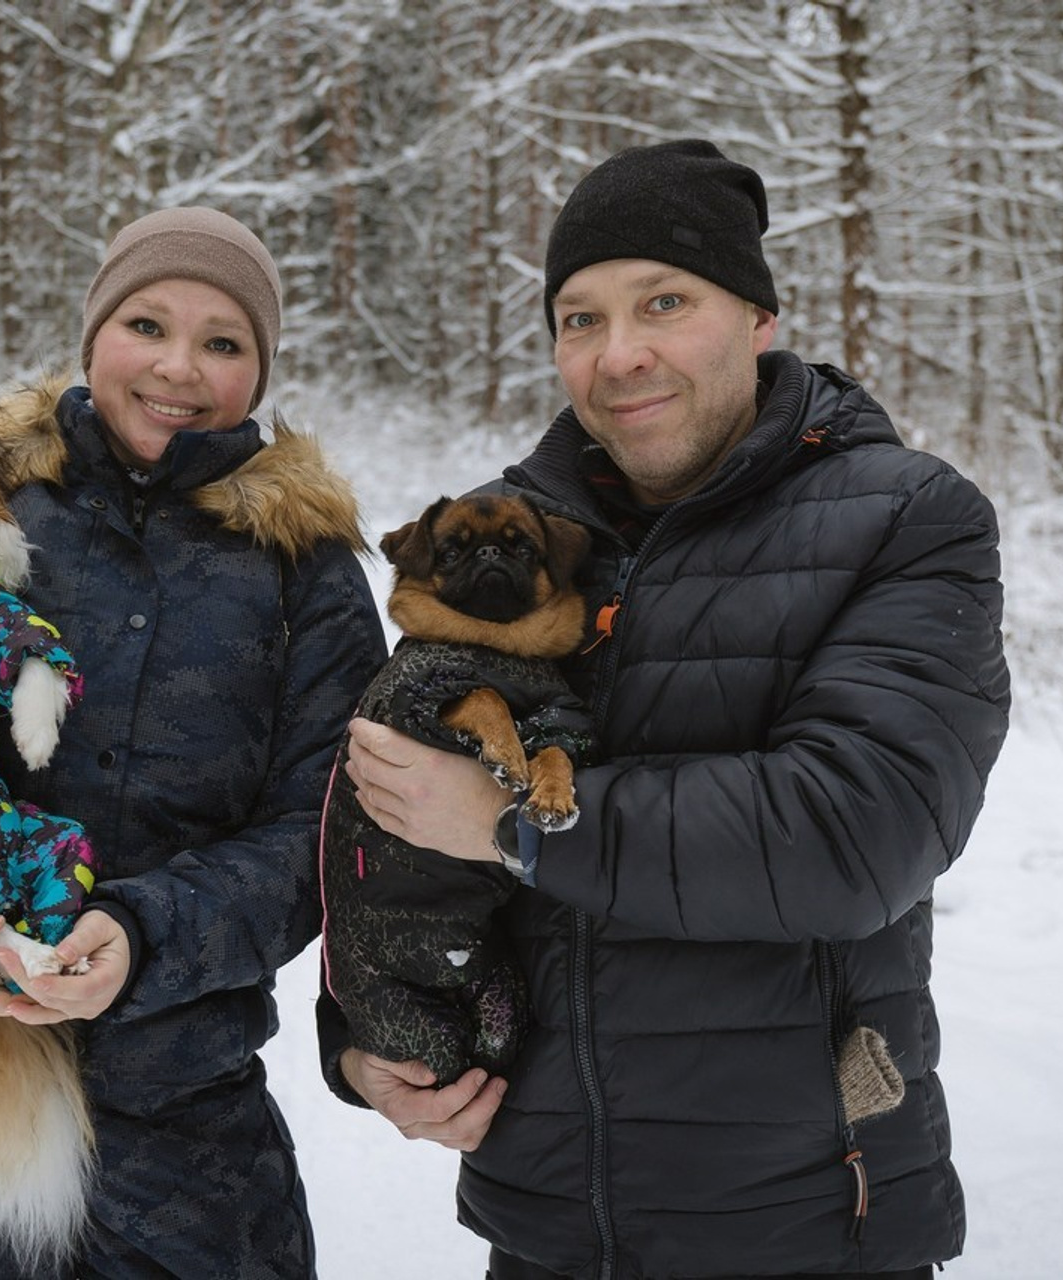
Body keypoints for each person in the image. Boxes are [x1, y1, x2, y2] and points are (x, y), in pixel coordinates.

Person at [321, 140, 1011, 1278]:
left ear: (756, 316)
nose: (618, 353)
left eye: (662, 302)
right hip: (544, 1220)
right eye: (578, 318)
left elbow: (852, 833)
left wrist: (506, 821)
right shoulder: (516, 545)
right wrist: (360, 1043)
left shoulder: (902, 518)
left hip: (797, 1220)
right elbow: (378, 815)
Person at [0, 206, 387, 1278]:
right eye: (146, 323)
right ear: (93, 329)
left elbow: (328, 836)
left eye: (223, 340)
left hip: (171, 1146)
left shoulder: (306, 573)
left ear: (260, 366)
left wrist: (147, 931)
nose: (177, 367)